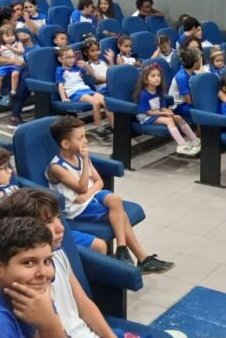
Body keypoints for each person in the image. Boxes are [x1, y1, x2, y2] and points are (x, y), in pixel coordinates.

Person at [0, 190, 182, 338]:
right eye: (48, 222)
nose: (60, 228)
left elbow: (84, 304)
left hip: (92, 337)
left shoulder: (57, 253)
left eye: (58, 218)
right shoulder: (27, 281)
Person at [46, 116, 174, 273]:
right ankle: (142, 258)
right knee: (121, 214)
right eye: (80, 138)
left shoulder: (80, 155)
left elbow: (99, 182)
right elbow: (81, 186)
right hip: (76, 208)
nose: (85, 141)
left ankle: (122, 249)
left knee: (115, 200)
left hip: (89, 198)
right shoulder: (56, 167)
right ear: (65, 144)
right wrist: (86, 162)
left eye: (85, 136)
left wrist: (87, 194)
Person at [135, 63, 200, 155]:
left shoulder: (159, 91)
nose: (157, 78)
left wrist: (167, 111)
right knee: (169, 120)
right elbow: (148, 112)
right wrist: (163, 114)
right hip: (145, 117)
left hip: (156, 113)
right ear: (146, 79)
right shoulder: (143, 94)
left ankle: (195, 140)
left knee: (178, 117)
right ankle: (182, 145)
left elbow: (162, 107)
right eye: (153, 76)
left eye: (158, 75)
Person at [55, 46, 113, 139]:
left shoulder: (76, 68)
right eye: (68, 57)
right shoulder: (60, 70)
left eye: (73, 57)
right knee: (96, 103)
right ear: (60, 59)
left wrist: (86, 65)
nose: (71, 60)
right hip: (74, 91)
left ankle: (114, 126)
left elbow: (91, 74)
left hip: (85, 89)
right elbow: (60, 85)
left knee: (106, 101)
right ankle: (99, 128)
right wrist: (63, 98)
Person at [0, 24, 25, 106]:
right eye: (7, 36)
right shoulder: (0, 46)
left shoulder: (17, 43)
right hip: (5, 65)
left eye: (12, 35)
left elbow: (22, 51)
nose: (10, 37)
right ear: (2, 37)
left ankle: (13, 92)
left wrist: (13, 48)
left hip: (16, 64)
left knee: (15, 74)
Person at [169, 47, 201, 124]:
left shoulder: (192, 73)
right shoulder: (182, 77)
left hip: (186, 102)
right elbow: (189, 101)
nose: (201, 62)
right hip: (178, 106)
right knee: (201, 112)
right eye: (200, 59)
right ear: (195, 62)